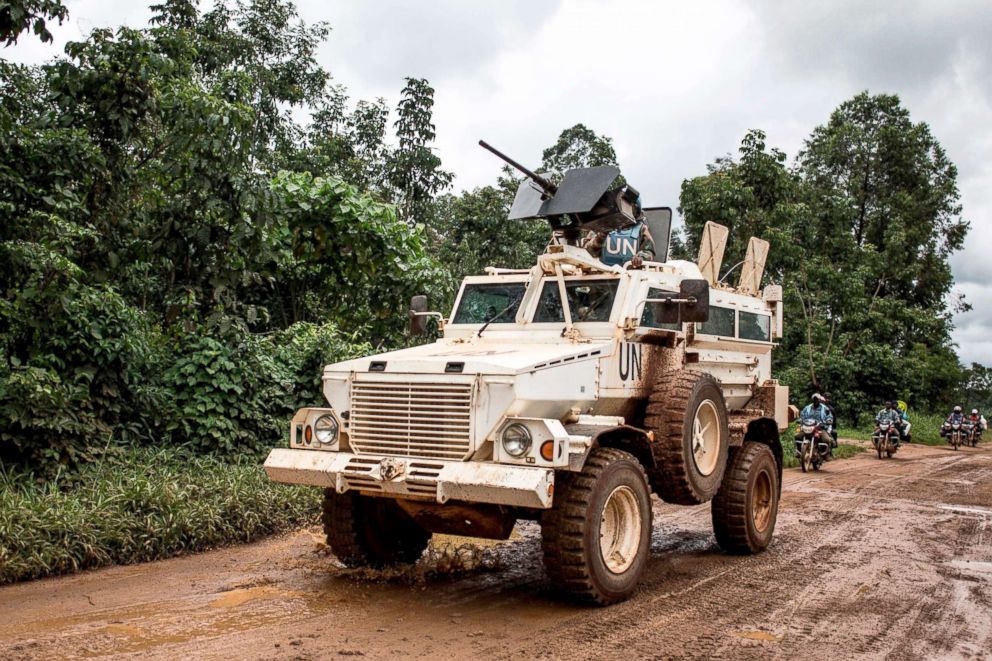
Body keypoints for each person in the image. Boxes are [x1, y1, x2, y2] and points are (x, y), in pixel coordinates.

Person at [583, 206, 656, 268]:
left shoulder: (641, 229)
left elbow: (649, 251)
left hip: (630, 276)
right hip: (602, 275)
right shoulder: (600, 227)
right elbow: (588, 252)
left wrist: (641, 257)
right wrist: (601, 236)